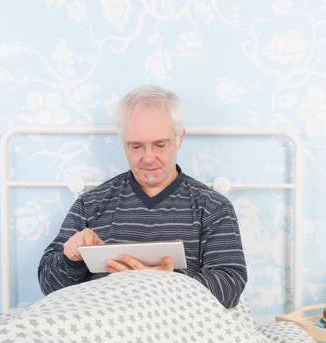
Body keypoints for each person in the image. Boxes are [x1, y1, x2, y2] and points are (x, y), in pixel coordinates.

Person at [37, 85, 247, 308]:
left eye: (160, 144)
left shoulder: (212, 207)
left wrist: (168, 284)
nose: (148, 158)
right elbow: (49, 286)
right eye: (136, 146)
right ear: (123, 143)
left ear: (179, 138)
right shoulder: (91, 204)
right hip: (101, 326)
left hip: (179, 328)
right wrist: (72, 259)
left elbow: (231, 284)